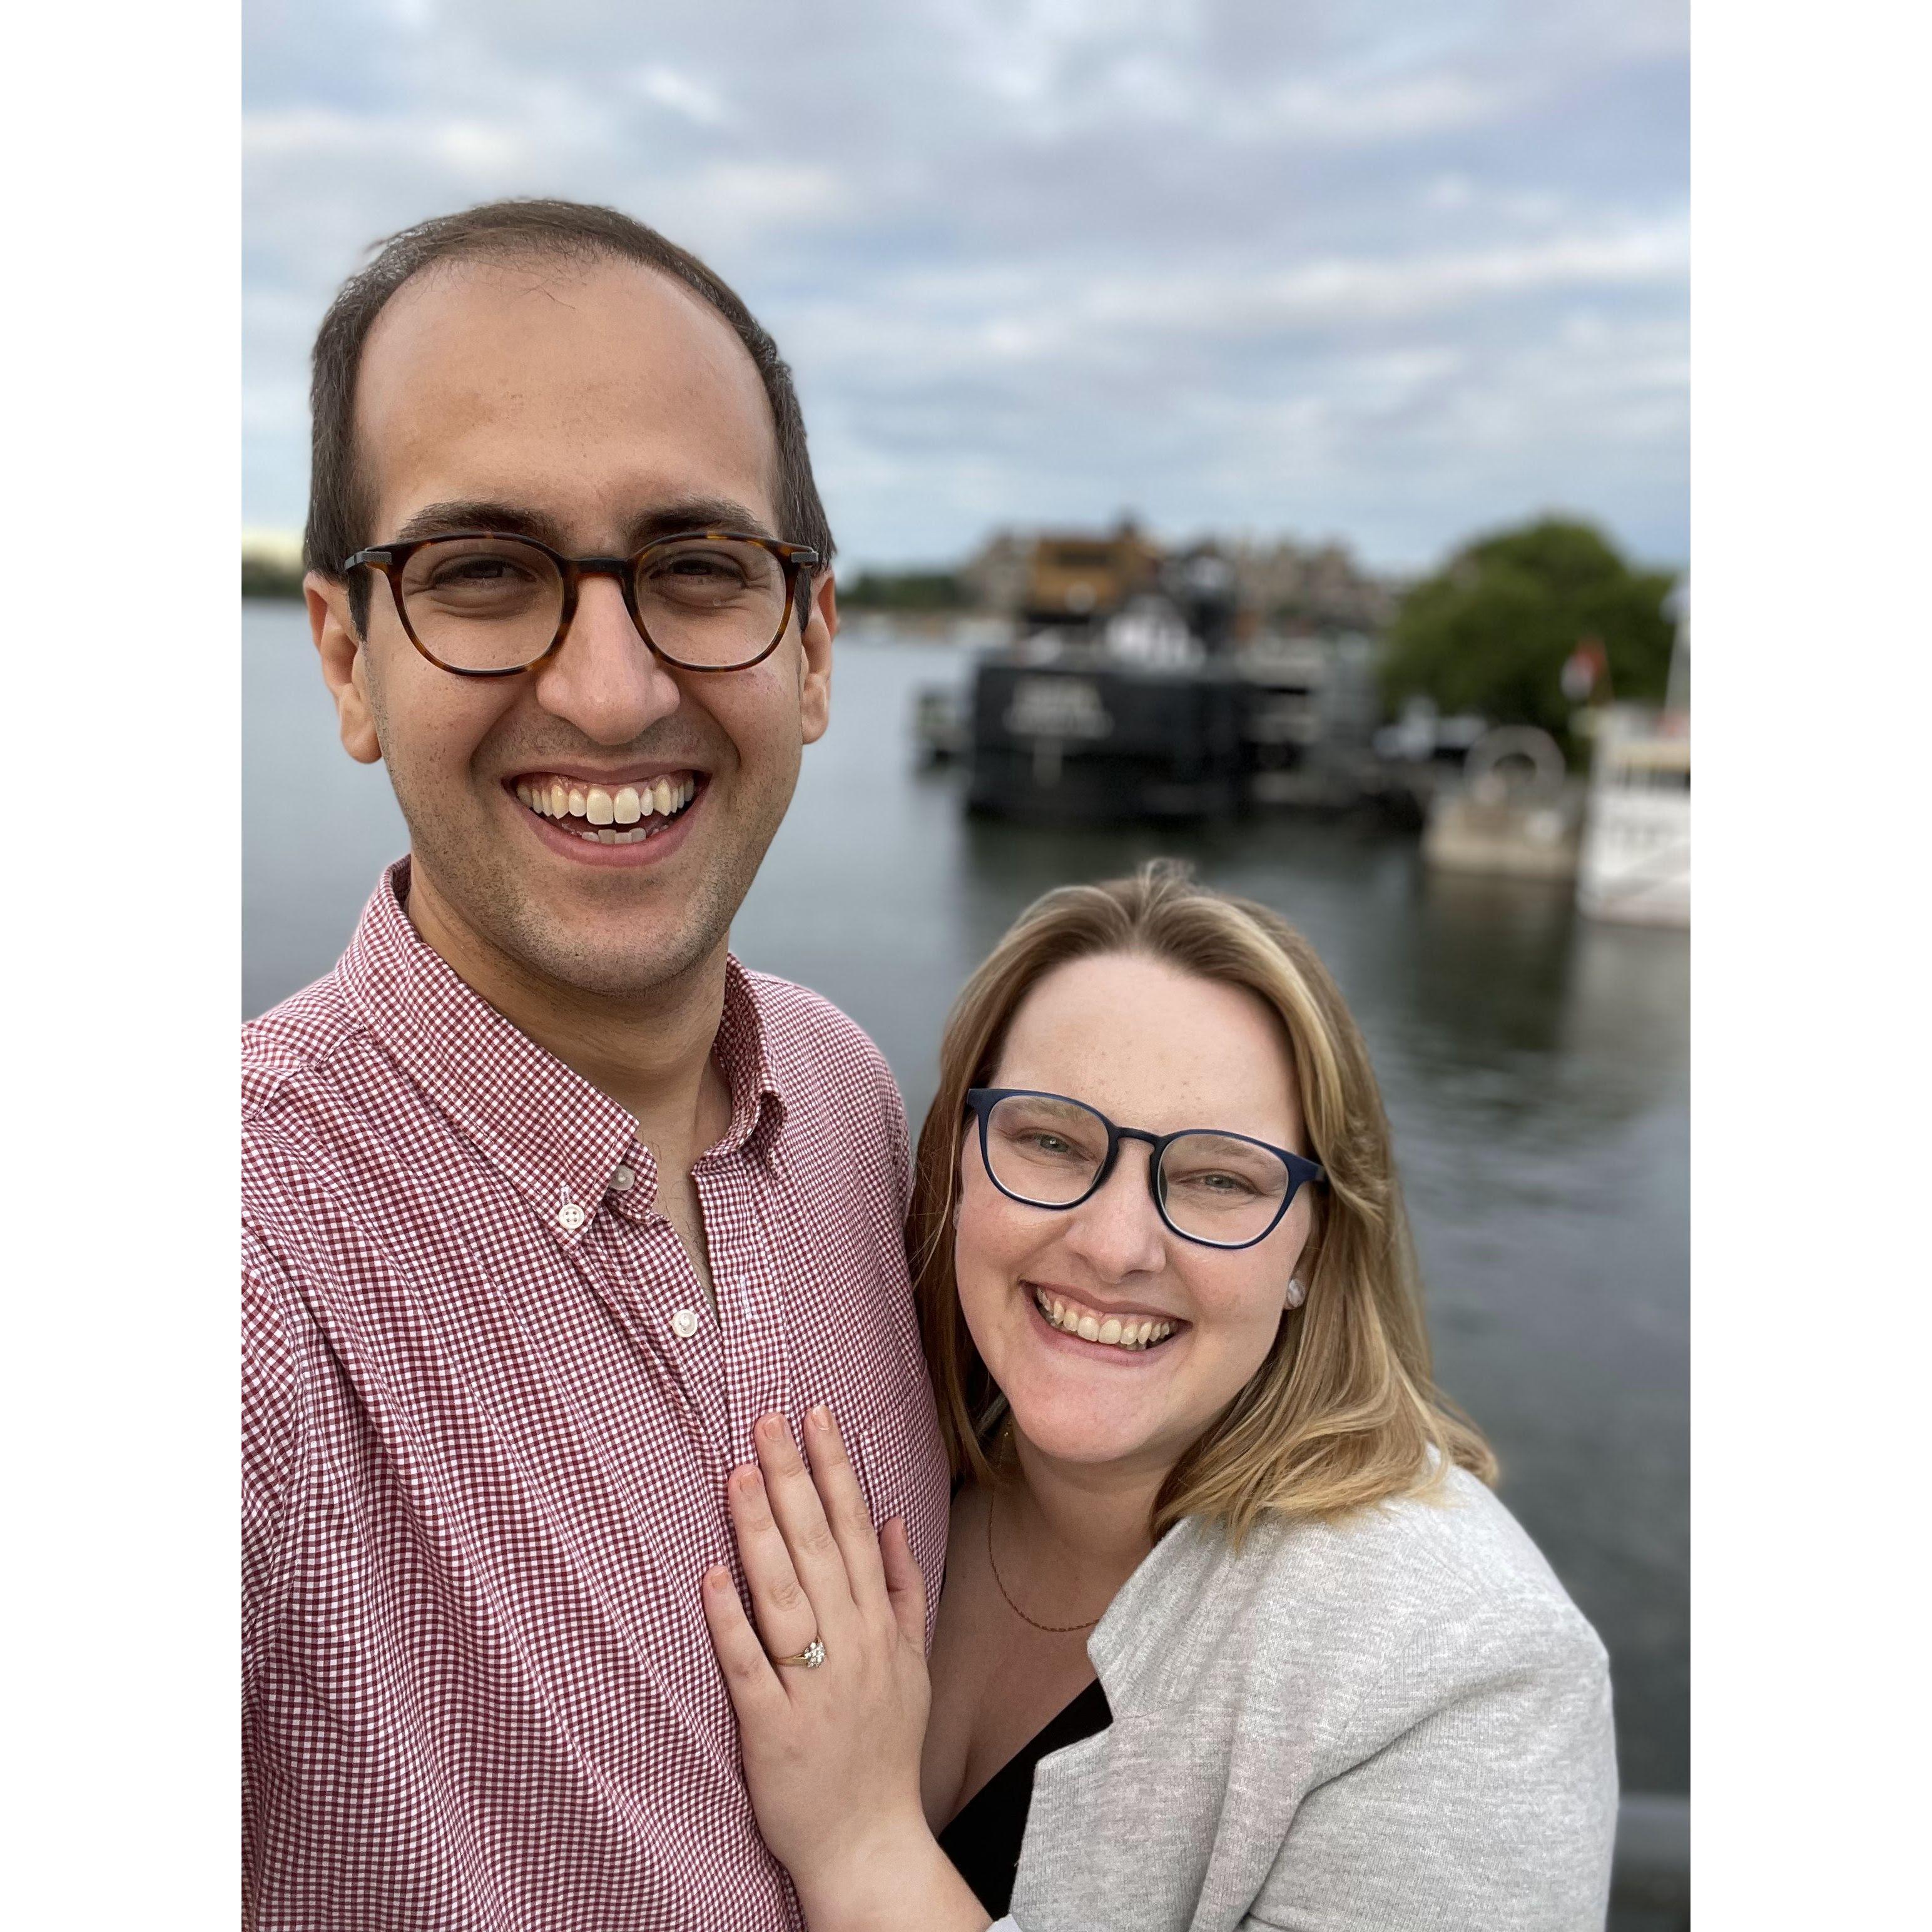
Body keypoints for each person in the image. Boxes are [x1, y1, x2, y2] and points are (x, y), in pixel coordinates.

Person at [241, 199, 948, 1931]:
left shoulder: (848, 1101)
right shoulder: (240, 1263)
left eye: (700, 568)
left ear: (815, 646)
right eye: (485, 574)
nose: (615, 690)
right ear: (347, 656)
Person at [703, 864, 1619, 1931]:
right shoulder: (885, 1444)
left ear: (1314, 1246)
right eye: (1050, 1140)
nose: (1115, 1245)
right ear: (959, 1159)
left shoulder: (1462, 1668)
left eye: (1219, 1179)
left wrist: (862, 1844)